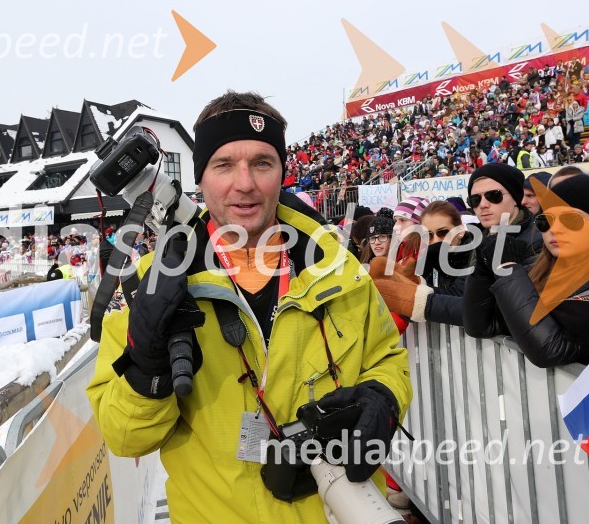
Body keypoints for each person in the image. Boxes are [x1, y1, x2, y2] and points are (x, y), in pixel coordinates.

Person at [87, 91, 411, 523]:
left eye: (262, 162)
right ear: (201, 180)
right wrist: (147, 368)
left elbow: (388, 358)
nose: (245, 183)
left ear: (281, 173)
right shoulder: (151, 287)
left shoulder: (339, 268)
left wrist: (383, 399)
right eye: (224, 165)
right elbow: (125, 437)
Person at [478, 175, 589, 366]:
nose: (555, 229)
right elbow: (482, 325)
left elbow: (549, 350)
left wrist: (508, 268)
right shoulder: (534, 269)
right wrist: (483, 267)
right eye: (546, 221)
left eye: (571, 220)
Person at [462, 164, 543, 338]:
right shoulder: (476, 241)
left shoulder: (537, 241)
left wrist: (426, 303)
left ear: (516, 198)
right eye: (475, 199)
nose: (483, 205)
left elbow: (499, 314)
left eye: (494, 196)